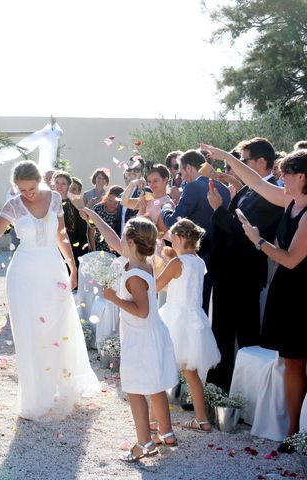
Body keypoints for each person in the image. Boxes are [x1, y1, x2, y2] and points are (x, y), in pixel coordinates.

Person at [0, 160, 99, 420]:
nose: (28, 194)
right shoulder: (13, 205)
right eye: (23, 189)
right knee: (30, 334)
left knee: (60, 327)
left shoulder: (55, 198)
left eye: (32, 188)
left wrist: (72, 266)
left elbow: (61, 235)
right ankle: (36, 396)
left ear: (40, 181)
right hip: (23, 275)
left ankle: (64, 384)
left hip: (52, 270)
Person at [201, 144, 307, 453]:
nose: (280, 178)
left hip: (302, 292)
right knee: (290, 362)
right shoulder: (290, 200)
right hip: (286, 290)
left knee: (298, 360)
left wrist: (257, 240)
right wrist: (225, 157)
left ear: (302, 176)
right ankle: (291, 432)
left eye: (286, 173)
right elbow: (257, 183)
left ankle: (297, 432)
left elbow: (289, 259)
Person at [80, 212, 178, 461]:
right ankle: (166, 433)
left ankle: (144, 443)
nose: (120, 241)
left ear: (132, 243)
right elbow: (112, 239)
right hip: (150, 333)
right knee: (155, 386)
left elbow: (142, 311)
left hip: (142, 336)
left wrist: (114, 299)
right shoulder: (143, 262)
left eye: (125, 238)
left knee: (135, 390)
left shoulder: (134, 273)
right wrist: (93, 217)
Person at [206, 137, 283, 390]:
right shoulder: (249, 190)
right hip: (226, 271)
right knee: (221, 333)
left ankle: (245, 396)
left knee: (246, 336)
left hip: (245, 274)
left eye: (244, 160)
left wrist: (218, 210)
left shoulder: (273, 195)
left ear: (261, 162)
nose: (239, 166)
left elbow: (245, 234)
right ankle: (218, 390)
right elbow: (229, 226)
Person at [156, 219, 221, 432]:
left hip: (175, 317)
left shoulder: (178, 263)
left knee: (162, 366)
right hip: (195, 320)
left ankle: (154, 421)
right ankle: (202, 420)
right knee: (190, 372)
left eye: (173, 236)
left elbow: (157, 285)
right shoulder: (199, 262)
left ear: (182, 238)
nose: (170, 240)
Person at [160, 149, 230, 312]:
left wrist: (166, 207)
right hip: (218, 256)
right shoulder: (224, 189)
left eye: (182, 170)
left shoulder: (193, 187)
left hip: (196, 255)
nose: (182, 176)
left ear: (190, 168)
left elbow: (173, 221)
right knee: (210, 307)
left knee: (193, 305)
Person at [52, 171, 89, 271]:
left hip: (71, 244)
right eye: (57, 182)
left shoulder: (75, 201)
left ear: (68, 185)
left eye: (63, 183)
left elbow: (82, 226)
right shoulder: (47, 201)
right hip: (51, 244)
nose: (59, 186)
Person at [88, 186, 124, 254]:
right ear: (107, 197)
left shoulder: (122, 211)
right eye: (110, 200)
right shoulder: (97, 208)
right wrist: (93, 251)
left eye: (116, 202)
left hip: (118, 251)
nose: (112, 204)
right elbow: (91, 231)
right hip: (99, 249)